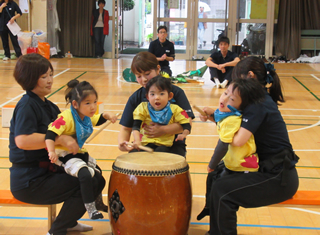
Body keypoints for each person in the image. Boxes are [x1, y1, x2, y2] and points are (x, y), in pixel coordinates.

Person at [199, 56, 299, 235]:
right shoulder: (255, 101)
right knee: (216, 176)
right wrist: (215, 115)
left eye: (238, 79)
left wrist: (217, 118)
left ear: (250, 76)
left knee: (223, 190)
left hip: (278, 176)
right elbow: (236, 126)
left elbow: (236, 139)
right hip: (266, 167)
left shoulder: (258, 104)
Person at [9, 54, 106, 235]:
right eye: (44, 76)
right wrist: (60, 140)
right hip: (29, 180)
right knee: (87, 181)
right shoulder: (27, 106)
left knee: (96, 176)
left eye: (51, 75)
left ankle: (69, 221)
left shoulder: (49, 106)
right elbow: (22, 140)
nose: (50, 80)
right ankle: (57, 230)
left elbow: (67, 127)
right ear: (30, 78)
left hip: (47, 171)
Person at [45, 80, 117, 220]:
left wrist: (106, 116)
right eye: (88, 103)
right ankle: (90, 210)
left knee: (98, 174)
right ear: (75, 104)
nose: (93, 107)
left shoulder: (84, 116)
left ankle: (98, 203)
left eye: (95, 102)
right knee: (85, 175)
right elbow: (50, 134)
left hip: (77, 152)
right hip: (64, 154)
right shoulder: (66, 118)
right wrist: (51, 151)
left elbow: (96, 119)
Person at [196, 77, 265, 221]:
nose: (225, 98)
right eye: (225, 93)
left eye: (232, 99)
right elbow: (221, 117)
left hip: (240, 167)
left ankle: (216, 218)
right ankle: (209, 207)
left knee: (219, 188)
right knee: (212, 178)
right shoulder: (229, 115)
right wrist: (210, 114)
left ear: (240, 106)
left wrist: (212, 164)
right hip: (233, 162)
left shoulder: (232, 120)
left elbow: (223, 144)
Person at [118, 51, 194, 157]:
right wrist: (123, 143)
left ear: (158, 69)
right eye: (138, 76)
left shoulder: (176, 93)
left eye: (147, 74)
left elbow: (187, 123)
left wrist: (163, 130)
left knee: (164, 161)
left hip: (173, 145)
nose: (144, 80)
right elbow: (126, 128)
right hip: (145, 143)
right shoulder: (135, 98)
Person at [132, 75, 191, 152]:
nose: (157, 97)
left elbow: (186, 125)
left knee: (160, 153)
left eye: (161, 94)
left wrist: (184, 134)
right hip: (144, 144)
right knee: (133, 155)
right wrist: (137, 140)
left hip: (164, 145)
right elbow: (136, 126)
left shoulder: (175, 109)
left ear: (170, 96)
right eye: (152, 94)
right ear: (147, 97)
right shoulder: (142, 108)